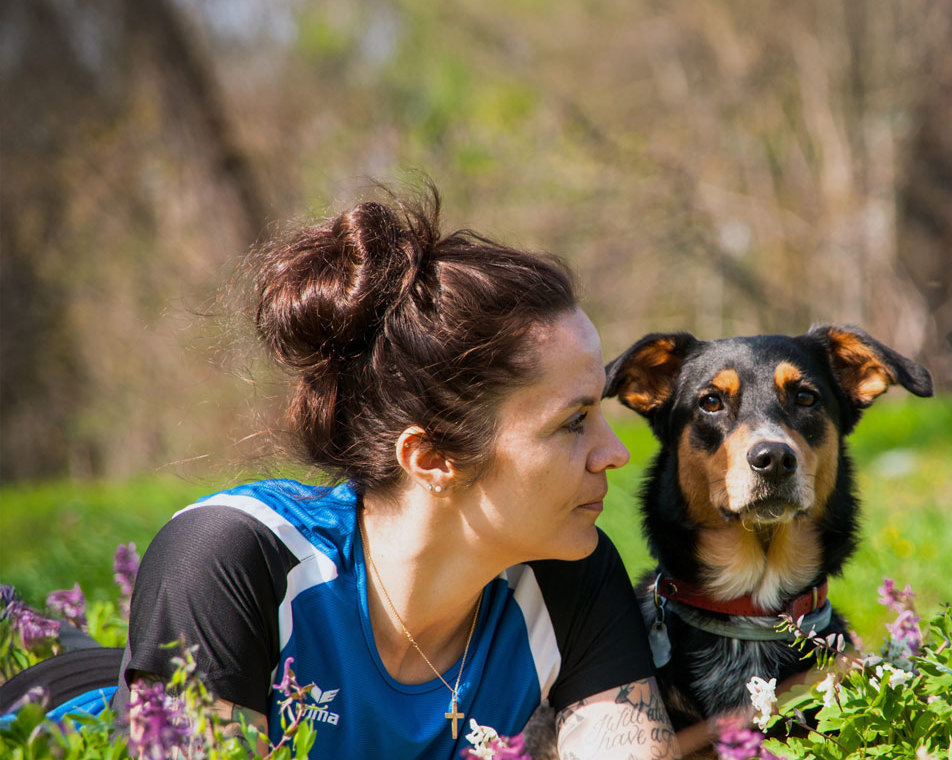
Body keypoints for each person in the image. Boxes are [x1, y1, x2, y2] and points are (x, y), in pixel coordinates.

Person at [117, 188, 675, 758]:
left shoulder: (570, 571)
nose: (615, 452)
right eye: (574, 421)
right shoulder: (229, 558)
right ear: (432, 459)